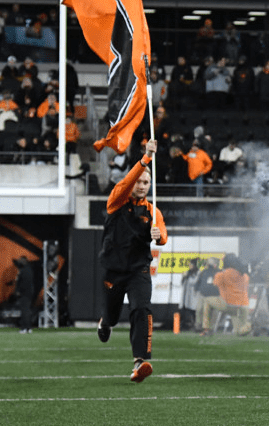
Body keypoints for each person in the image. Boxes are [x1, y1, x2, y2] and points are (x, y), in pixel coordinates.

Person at [97, 139, 168, 383]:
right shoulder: (116, 201)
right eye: (139, 181)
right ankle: (105, 321)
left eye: (146, 182)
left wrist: (158, 238)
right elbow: (126, 181)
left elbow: (163, 238)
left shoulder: (153, 210)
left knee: (141, 308)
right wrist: (146, 158)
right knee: (113, 316)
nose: (142, 185)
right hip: (113, 269)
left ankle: (140, 361)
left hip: (138, 270)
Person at [201, 254, 251, 335]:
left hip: (229, 305)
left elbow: (215, 285)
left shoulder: (222, 274)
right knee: (239, 332)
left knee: (207, 300)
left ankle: (207, 328)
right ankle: (249, 325)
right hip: (244, 307)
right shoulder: (245, 275)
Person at [13, 256, 35, 333]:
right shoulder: (29, 270)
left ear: (24, 261)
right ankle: (28, 328)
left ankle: (25, 328)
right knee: (27, 310)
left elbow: (23, 283)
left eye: (21, 260)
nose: (19, 262)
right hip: (29, 293)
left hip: (25, 293)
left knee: (24, 311)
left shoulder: (24, 270)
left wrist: (19, 291)